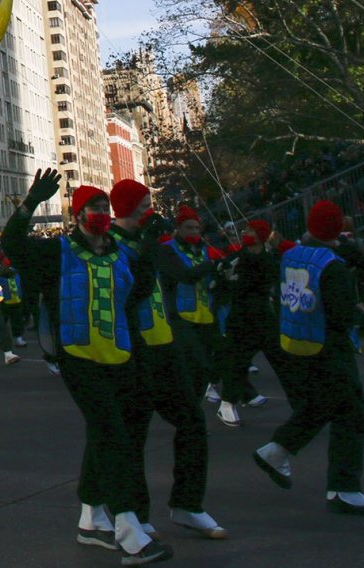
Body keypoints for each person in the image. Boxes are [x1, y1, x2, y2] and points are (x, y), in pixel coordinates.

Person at [4, 174, 171, 564]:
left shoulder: (121, 253)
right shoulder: (58, 253)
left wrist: (148, 244)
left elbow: (142, 289)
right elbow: (13, 246)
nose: (100, 214)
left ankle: (91, 518)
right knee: (111, 434)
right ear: (78, 215)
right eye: (93, 209)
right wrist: (29, 203)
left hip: (121, 356)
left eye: (104, 208)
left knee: (108, 434)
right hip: (79, 360)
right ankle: (128, 529)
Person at [111, 179, 225, 541]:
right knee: (133, 434)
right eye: (143, 204)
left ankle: (188, 503)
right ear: (129, 207)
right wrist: (147, 246)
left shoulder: (153, 243)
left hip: (164, 342)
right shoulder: (114, 245)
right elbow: (132, 288)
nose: (149, 209)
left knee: (192, 422)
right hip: (135, 348)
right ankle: (137, 514)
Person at [253, 200, 364, 517]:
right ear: (338, 229)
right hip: (329, 346)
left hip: (297, 340)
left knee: (325, 405)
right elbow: (340, 313)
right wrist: (360, 314)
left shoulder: (291, 255)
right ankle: (344, 487)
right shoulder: (332, 266)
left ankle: (278, 450)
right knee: (350, 414)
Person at [217, 218, 276, 423]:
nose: (245, 233)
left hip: (260, 317)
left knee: (281, 360)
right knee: (238, 363)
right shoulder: (238, 257)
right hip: (242, 318)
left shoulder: (265, 259)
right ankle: (228, 403)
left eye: (250, 230)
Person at [160, 206, 220, 400]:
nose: (194, 232)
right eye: (189, 228)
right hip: (181, 316)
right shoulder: (168, 250)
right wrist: (211, 265)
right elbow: (184, 276)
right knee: (198, 364)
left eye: (196, 228)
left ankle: (195, 405)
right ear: (179, 228)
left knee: (204, 369)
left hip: (206, 314)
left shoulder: (204, 248)